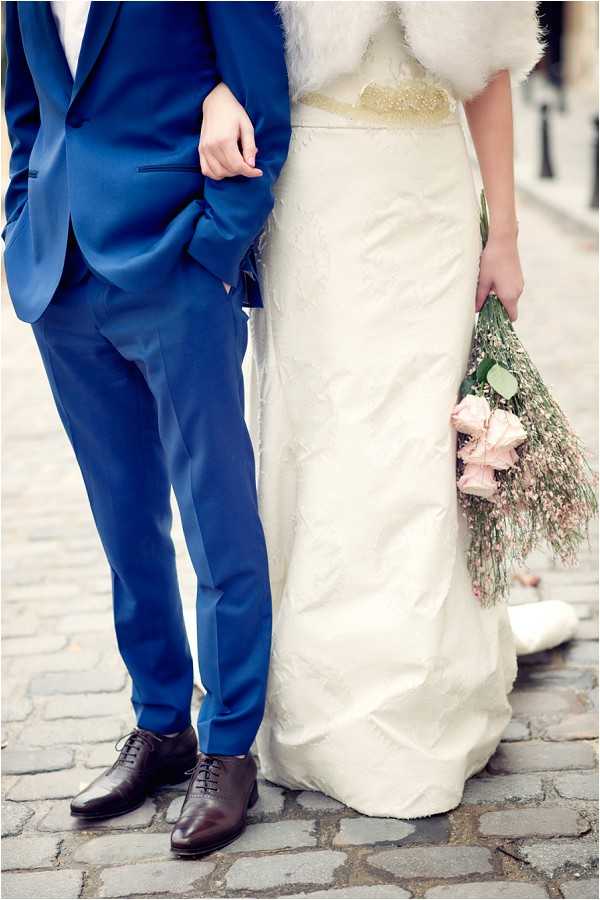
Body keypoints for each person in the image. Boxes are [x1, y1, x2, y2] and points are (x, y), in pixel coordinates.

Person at [197, 0, 544, 818]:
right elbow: (215, 40)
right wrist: (217, 95)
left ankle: (424, 690)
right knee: (325, 434)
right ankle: (319, 695)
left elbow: (490, 73)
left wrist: (505, 235)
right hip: (321, 192)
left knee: (420, 438)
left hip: (430, 192)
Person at [3, 0, 290, 855]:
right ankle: (161, 727)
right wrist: (23, 222)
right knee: (125, 525)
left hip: (176, 267)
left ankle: (229, 745)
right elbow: (31, 109)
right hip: (62, 279)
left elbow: (264, 107)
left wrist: (213, 248)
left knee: (217, 518)